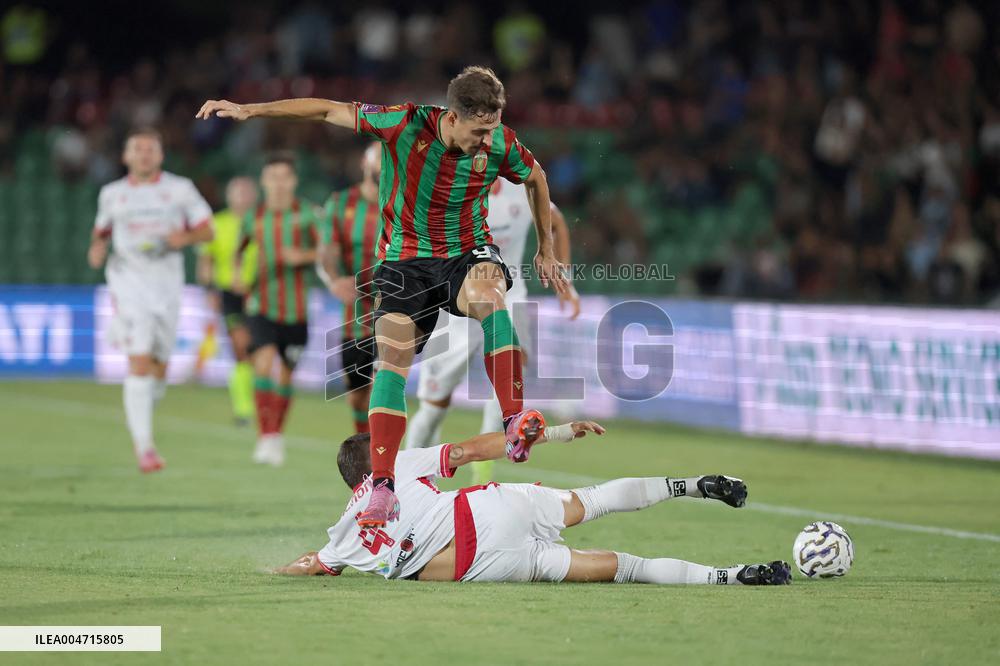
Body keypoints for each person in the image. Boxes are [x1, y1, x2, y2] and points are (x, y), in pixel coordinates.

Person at [198, 65, 571, 527]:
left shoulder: (502, 142)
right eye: (479, 131)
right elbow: (325, 109)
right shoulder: (405, 122)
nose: (486, 140)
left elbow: (535, 178)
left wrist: (546, 248)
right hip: (404, 261)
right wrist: (251, 109)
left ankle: (514, 422)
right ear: (452, 118)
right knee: (390, 360)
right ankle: (382, 486)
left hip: (465, 250)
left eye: (492, 129)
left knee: (491, 293)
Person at [273, 423, 791, 586]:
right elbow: (474, 450)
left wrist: (275, 570)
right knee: (592, 501)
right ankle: (692, 485)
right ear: (377, 458)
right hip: (483, 511)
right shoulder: (398, 464)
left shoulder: (343, 532)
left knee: (624, 569)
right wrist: (558, 433)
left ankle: (731, 577)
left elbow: (310, 565)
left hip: (487, 564)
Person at [406, 184, 580, 485]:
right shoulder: (455, 185)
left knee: (507, 383)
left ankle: (483, 475)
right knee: (434, 405)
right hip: (456, 301)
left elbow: (557, 221)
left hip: (509, 295)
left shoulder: (521, 190)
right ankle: (406, 471)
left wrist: (565, 278)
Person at [87, 128, 213, 473]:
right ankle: (145, 447)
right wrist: (96, 251)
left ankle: (143, 414)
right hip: (128, 282)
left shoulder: (180, 189)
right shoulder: (112, 194)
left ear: (160, 155)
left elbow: (208, 230)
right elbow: (100, 234)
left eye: (150, 149)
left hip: (167, 286)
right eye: (137, 149)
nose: (144, 154)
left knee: (159, 365)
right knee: (139, 359)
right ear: (126, 156)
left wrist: (184, 237)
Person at [239, 153, 323, 466]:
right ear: (263, 181)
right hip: (261, 303)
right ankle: (266, 435)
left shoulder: (308, 215)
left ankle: (276, 434)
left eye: (283, 177)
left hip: (296, 309)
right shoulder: (254, 217)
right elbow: (240, 249)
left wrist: (302, 256)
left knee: (286, 375)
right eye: (271, 177)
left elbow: (327, 252)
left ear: (293, 180)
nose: (277, 183)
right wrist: (238, 274)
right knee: (262, 363)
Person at [318, 143, 382, 435]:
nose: (384, 168)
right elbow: (327, 251)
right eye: (379, 161)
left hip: (396, 307)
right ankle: (365, 442)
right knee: (357, 392)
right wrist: (335, 279)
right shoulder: (341, 203)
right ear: (364, 163)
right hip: (355, 313)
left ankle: (385, 455)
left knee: (385, 386)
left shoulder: (406, 203)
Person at [197, 176, 259, 426]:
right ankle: (244, 409)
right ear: (229, 196)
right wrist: (209, 290)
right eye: (238, 192)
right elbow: (206, 261)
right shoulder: (217, 223)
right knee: (241, 348)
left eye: (247, 192)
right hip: (230, 294)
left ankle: (255, 402)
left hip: (260, 291)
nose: (242, 197)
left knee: (258, 350)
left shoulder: (262, 222)